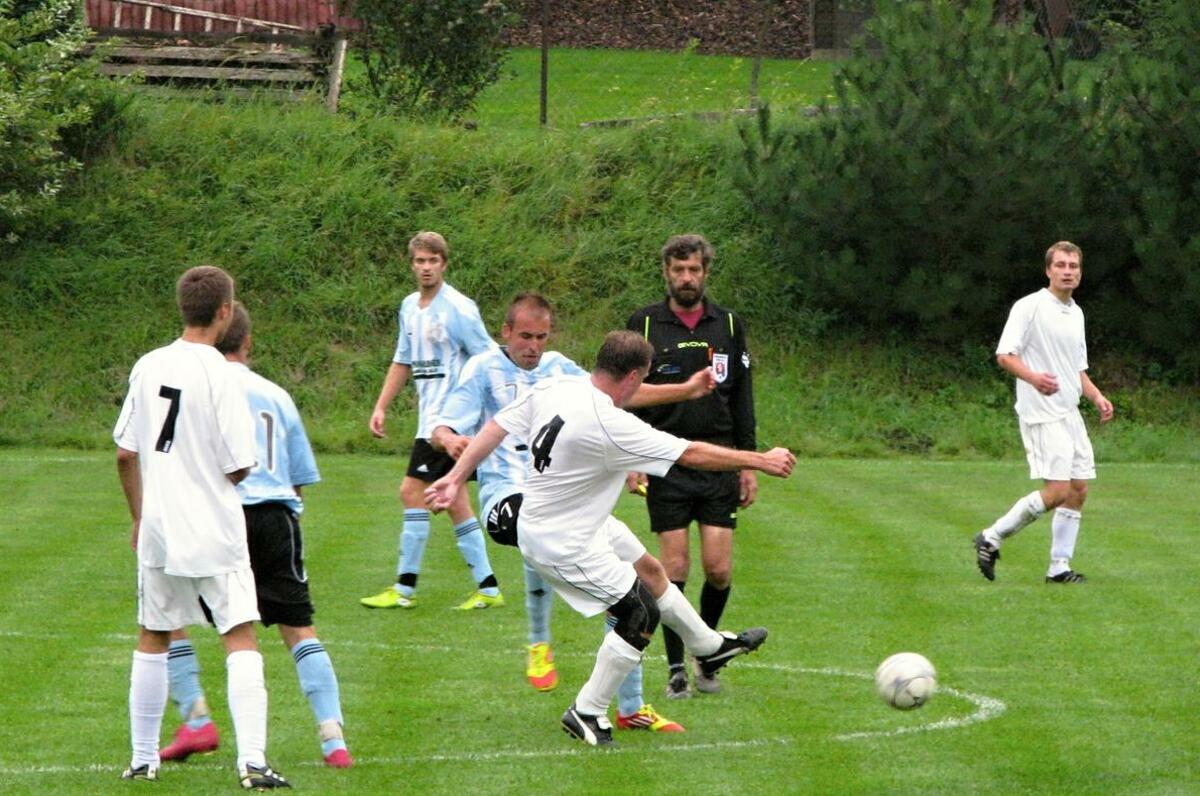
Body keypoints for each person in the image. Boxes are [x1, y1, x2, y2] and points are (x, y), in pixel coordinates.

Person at [426, 331, 795, 746]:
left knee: (650, 571)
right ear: (634, 376)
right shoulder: (610, 424)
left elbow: (495, 427)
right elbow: (691, 453)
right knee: (639, 612)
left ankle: (709, 646)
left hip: (578, 518)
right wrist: (760, 460)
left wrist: (454, 477)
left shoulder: (557, 386)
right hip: (561, 542)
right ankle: (587, 710)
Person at [431, 294, 713, 733]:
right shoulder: (483, 368)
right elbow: (442, 423)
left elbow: (617, 393)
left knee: (627, 587)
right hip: (506, 498)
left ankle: (630, 707)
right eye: (525, 336)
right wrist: (449, 440)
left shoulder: (559, 369)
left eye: (541, 337)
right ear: (506, 332)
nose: (533, 346)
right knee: (543, 525)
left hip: (562, 503)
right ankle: (538, 641)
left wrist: (684, 393)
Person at [113, 266, 288, 789]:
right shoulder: (221, 374)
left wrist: (140, 516)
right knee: (239, 634)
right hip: (213, 526)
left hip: (159, 526)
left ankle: (142, 759)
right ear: (225, 311)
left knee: (153, 634)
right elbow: (238, 465)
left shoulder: (149, 365)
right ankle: (252, 763)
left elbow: (125, 453)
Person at [157, 302, 353, 769]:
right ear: (247, 342)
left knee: (167, 613)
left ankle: (197, 719)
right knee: (297, 625)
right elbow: (299, 475)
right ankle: (333, 738)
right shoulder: (275, 395)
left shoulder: (201, 389)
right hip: (276, 518)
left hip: (220, 516)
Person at [625, 234, 757, 699]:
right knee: (674, 567)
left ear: (705, 273)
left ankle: (708, 654)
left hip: (719, 460)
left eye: (694, 270)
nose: (686, 278)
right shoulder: (644, 324)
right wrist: (633, 458)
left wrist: (748, 463)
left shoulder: (729, 324)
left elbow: (742, 397)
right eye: (678, 270)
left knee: (718, 569)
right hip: (664, 458)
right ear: (666, 273)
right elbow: (626, 394)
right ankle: (677, 667)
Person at [360, 231, 504, 610]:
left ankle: (404, 589)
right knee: (455, 500)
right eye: (420, 261)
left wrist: (486, 412)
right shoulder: (409, 307)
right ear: (412, 265)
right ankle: (488, 589)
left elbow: (488, 358)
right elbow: (403, 359)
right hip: (430, 421)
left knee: (412, 492)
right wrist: (381, 406)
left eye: (433, 261)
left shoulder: (459, 308)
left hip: (451, 422)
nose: (426, 268)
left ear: (444, 264)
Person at [973, 241, 1115, 583]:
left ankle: (1059, 568)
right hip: (1041, 413)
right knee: (1057, 491)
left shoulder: (1076, 313)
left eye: (1073, 266)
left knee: (1078, 490)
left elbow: (1076, 369)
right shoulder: (1030, 307)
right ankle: (991, 537)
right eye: (1061, 265)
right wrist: (1034, 378)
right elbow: (1005, 355)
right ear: (1048, 270)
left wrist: (1096, 396)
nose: (1068, 272)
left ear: (1080, 272)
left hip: (1069, 413)